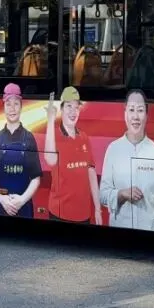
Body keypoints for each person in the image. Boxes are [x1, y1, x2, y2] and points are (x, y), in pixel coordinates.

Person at [99, 89, 154, 232]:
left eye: (140, 110)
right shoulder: (113, 149)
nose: (135, 116)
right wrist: (121, 194)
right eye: (131, 110)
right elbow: (102, 195)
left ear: (146, 115)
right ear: (125, 113)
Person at [42, 86, 101, 224]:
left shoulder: (84, 137)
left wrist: (98, 208)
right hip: (60, 213)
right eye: (69, 106)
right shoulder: (54, 135)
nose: (73, 112)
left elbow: (91, 173)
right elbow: (50, 160)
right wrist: (50, 120)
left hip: (83, 214)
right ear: (61, 109)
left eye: (76, 107)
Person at [0, 83, 42, 218]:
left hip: (24, 206)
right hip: (1, 206)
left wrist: (21, 200)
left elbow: (36, 178)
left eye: (16, 104)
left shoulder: (29, 138)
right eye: (8, 104)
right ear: (4, 107)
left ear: (21, 107)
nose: (12, 109)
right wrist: (2, 200)